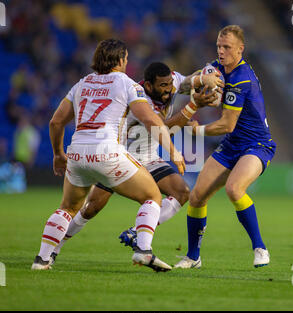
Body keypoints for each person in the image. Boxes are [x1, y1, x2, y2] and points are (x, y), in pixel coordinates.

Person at [31, 39, 187, 272]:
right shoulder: (127, 83)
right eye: (126, 58)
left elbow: (56, 121)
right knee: (152, 196)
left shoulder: (81, 84)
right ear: (121, 60)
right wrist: (173, 151)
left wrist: (57, 154)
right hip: (107, 151)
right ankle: (143, 251)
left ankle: (42, 260)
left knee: (68, 207)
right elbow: (150, 118)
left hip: (77, 152)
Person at [49, 61, 224, 264]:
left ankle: (137, 233)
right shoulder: (139, 98)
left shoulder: (171, 82)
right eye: (163, 86)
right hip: (121, 156)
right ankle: (54, 248)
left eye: (169, 85)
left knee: (181, 191)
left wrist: (205, 77)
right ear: (148, 86)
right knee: (91, 208)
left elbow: (185, 82)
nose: (168, 90)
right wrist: (194, 105)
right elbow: (163, 130)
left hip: (148, 156)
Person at [174, 25, 276, 269]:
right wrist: (198, 80)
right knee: (197, 197)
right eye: (219, 46)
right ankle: (193, 257)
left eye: (227, 47)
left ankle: (260, 248)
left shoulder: (242, 78)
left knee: (234, 189)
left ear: (240, 49)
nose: (221, 51)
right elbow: (184, 84)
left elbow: (228, 124)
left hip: (257, 144)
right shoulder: (216, 68)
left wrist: (195, 130)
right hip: (232, 146)